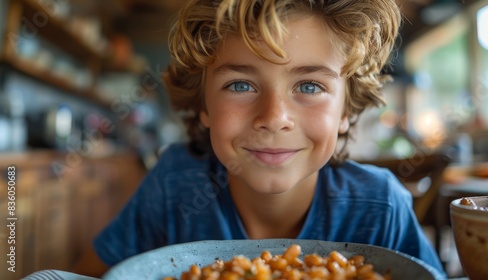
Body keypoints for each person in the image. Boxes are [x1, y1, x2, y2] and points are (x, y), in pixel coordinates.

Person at [75, 0, 446, 277]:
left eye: (309, 86)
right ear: (203, 103)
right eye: (240, 84)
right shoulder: (174, 185)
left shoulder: (380, 207)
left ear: (346, 112)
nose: (273, 118)